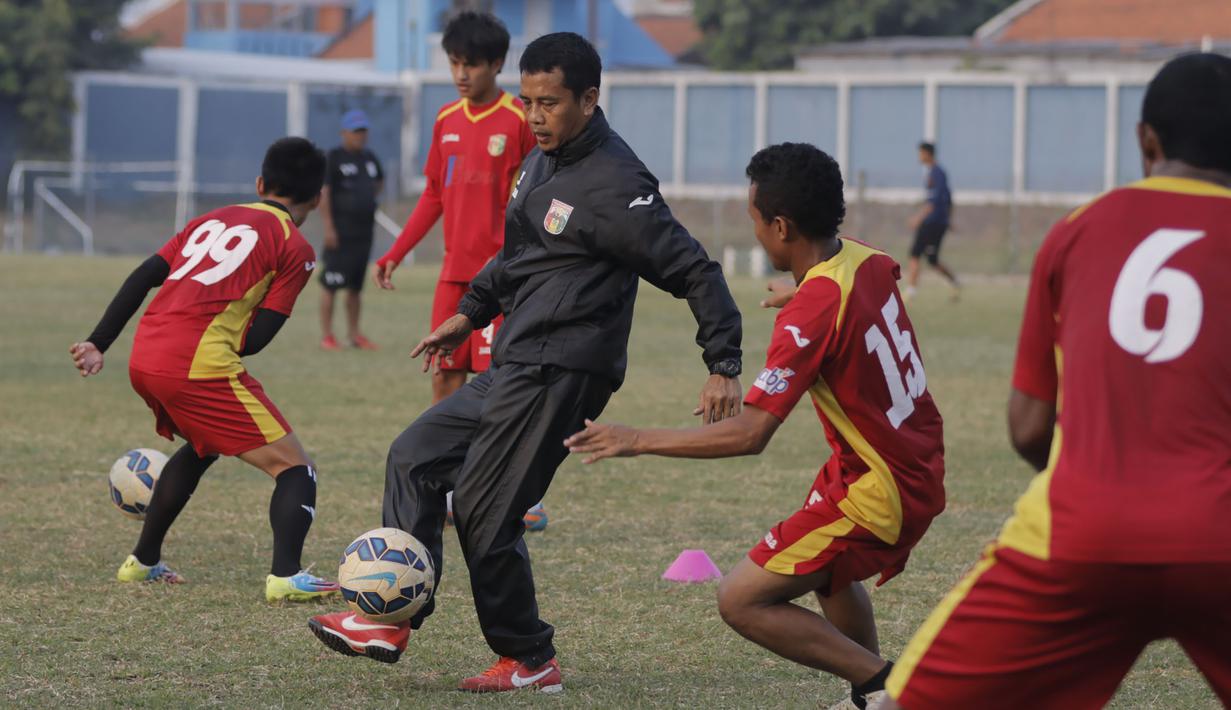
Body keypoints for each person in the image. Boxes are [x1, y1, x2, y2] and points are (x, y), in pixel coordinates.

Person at [308, 32, 744, 692]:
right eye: (528, 101)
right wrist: (469, 312)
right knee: (414, 455)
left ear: (589, 100)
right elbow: (517, 257)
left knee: (484, 508)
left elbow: (694, 269)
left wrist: (722, 362)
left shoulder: (618, 184)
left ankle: (530, 658)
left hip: (565, 368)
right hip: (518, 358)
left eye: (550, 103)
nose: (535, 116)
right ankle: (392, 617)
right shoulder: (540, 162)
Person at [879, 53, 1231, 709]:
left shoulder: (1077, 229)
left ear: (1145, 141)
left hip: (1080, 532)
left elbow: (1028, 426)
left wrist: (1103, 473)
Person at [566, 142, 946, 710]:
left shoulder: (814, 311)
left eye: (755, 220)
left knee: (740, 599)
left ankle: (889, 688)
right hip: (910, 460)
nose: (755, 231)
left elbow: (751, 434)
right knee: (830, 572)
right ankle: (870, 697)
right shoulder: (865, 259)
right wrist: (807, 292)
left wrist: (636, 439)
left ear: (782, 226)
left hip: (881, 487)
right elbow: (856, 294)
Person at [70, 137, 340, 603]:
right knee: (296, 469)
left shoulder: (209, 220)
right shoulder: (294, 247)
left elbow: (144, 275)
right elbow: (255, 340)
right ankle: (286, 576)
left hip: (144, 355)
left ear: (260, 184)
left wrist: (99, 341)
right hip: (196, 365)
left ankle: (143, 562)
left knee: (203, 446)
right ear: (317, 198)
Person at [370, 11, 546, 531]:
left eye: (472, 64)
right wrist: (396, 251)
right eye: (454, 63)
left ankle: (520, 495)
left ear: (497, 64)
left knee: (501, 388)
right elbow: (433, 195)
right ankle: (447, 492)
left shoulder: (518, 120)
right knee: (445, 377)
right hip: (452, 278)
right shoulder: (446, 119)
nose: (461, 74)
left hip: (503, 282)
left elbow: (533, 202)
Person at [319, 108, 383, 351]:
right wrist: (329, 228)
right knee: (331, 284)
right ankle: (327, 335)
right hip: (340, 234)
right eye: (355, 131)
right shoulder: (333, 158)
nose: (360, 135)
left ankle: (354, 335)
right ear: (344, 132)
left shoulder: (369, 158)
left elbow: (378, 182)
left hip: (363, 234)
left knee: (356, 287)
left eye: (363, 130)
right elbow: (324, 194)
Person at [905, 142, 959, 300]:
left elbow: (933, 202)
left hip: (931, 222)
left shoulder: (936, 173)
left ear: (927, 154)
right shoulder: (935, 173)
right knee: (932, 260)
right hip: (938, 222)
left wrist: (917, 218)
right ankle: (954, 281)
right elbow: (948, 198)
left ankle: (910, 292)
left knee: (915, 254)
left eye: (920, 153)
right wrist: (948, 220)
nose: (919, 156)